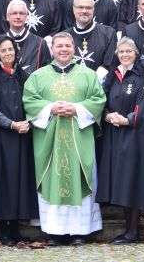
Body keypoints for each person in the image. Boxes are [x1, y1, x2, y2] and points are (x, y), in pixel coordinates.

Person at [23, 32, 107, 245]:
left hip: (79, 138)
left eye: (68, 46)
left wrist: (77, 109)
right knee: (52, 179)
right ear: (52, 49)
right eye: (59, 46)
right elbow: (29, 101)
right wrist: (50, 107)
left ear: (74, 48)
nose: (63, 49)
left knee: (81, 178)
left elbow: (99, 100)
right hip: (50, 141)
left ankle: (80, 231)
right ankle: (55, 232)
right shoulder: (37, 76)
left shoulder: (88, 75)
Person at [96, 37, 144, 244]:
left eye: (129, 52)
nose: (125, 55)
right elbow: (102, 101)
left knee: (131, 182)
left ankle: (133, 231)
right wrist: (107, 116)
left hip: (134, 137)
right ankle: (128, 229)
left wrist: (129, 119)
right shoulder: (112, 77)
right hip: (114, 136)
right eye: (121, 52)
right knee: (121, 183)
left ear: (136, 54)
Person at [0, 36, 38, 245]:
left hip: (22, 136)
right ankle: (4, 230)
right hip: (1, 138)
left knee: (20, 182)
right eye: (3, 51)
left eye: (10, 50)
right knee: (4, 182)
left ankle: (15, 229)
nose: (7, 54)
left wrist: (28, 122)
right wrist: (11, 124)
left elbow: (33, 102)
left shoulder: (23, 76)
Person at [0, 0, 52, 77]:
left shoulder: (40, 43)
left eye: (21, 13)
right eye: (14, 13)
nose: (18, 17)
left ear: (27, 17)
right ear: (7, 17)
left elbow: (47, 74)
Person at [67, 0, 118, 75]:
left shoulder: (109, 34)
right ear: (74, 9)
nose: (84, 11)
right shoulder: (64, 36)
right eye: (80, 7)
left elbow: (110, 64)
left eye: (88, 8)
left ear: (93, 9)